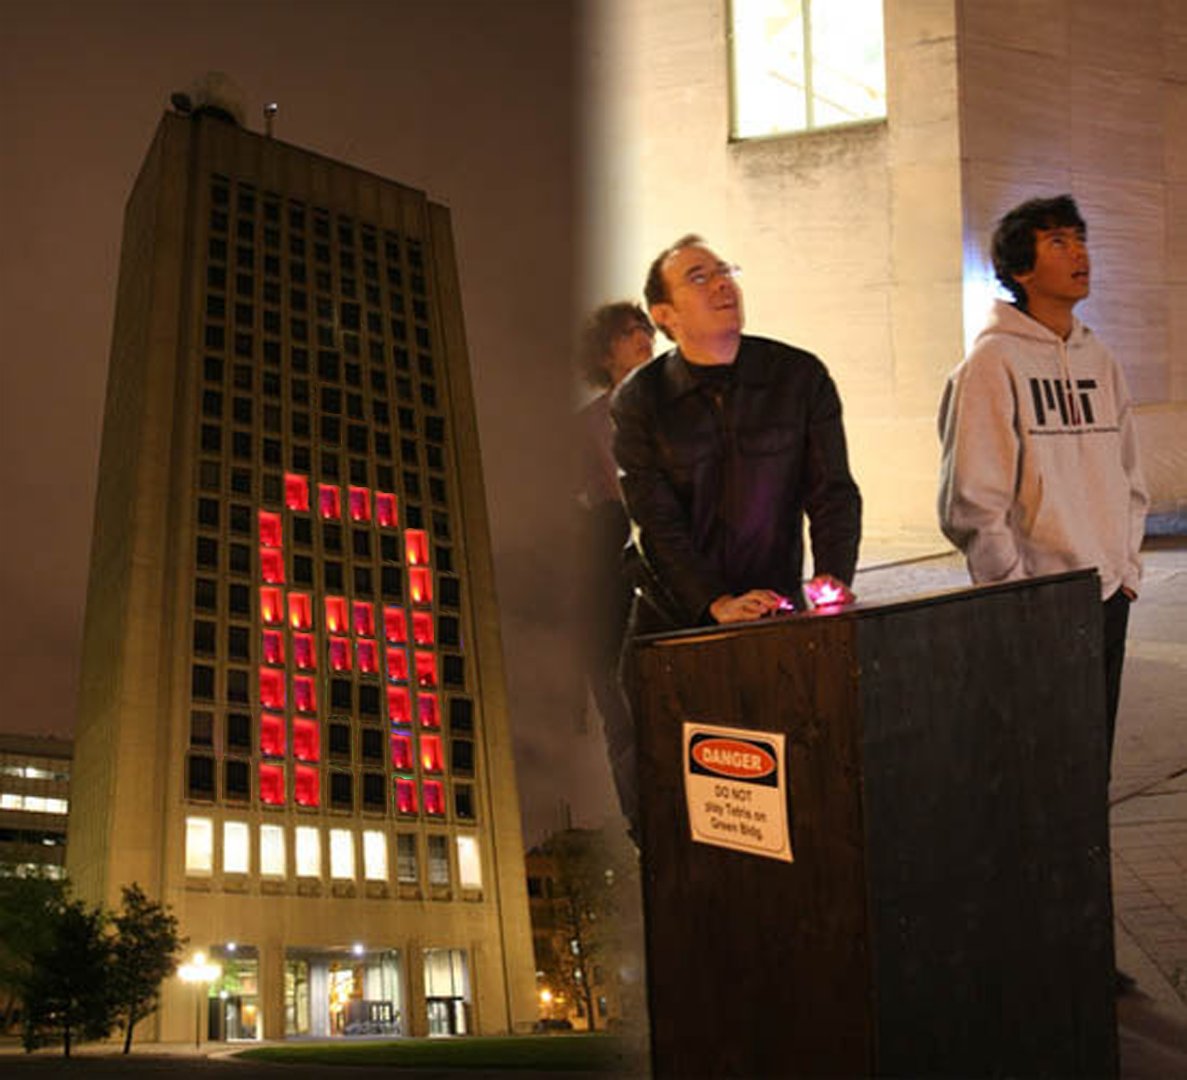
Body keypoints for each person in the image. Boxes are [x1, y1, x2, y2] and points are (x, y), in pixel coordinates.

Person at [938, 195, 1148, 769]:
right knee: (1038, 760)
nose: (1079, 252)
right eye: (1058, 241)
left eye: (1080, 238)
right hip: (1038, 598)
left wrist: (1126, 569)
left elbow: (1129, 472)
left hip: (1107, 592)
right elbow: (972, 498)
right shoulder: (992, 363)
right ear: (1020, 269)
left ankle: (1086, 860)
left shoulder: (1099, 358)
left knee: (1091, 757)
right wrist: (1014, 590)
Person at [611, 235, 862, 634]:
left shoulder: (798, 376)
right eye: (698, 278)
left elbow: (832, 491)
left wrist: (833, 575)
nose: (721, 283)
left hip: (775, 607)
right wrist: (715, 602)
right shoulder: (641, 399)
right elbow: (657, 523)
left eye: (725, 271)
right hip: (677, 621)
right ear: (664, 314)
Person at [576, 302, 655, 835]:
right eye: (630, 333)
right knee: (618, 699)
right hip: (619, 568)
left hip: (671, 566)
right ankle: (641, 822)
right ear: (605, 353)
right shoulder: (587, 426)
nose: (643, 337)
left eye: (645, 328)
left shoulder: (679, 401)